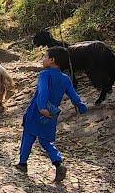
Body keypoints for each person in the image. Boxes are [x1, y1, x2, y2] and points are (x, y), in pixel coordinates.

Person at [15, 46, 88, 182]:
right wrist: (81, 105)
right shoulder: (65, 78)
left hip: (37, 111)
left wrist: (42, 107)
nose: (43, 59)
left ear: (52, 60)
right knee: (46, 140)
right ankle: (58, 163)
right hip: (52, 113)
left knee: (28, 136)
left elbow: (43, 91)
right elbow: (73, 94)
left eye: (45, 57)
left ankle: (23, 163)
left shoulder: (45, 74)